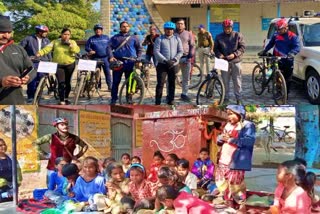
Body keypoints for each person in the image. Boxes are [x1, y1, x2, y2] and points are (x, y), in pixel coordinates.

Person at [215, 105, 255, 213]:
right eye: (228, 114)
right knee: (223, 183)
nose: (229, 117)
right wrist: (220, 138)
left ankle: (242, 205)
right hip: (223, 159)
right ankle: (228, 203)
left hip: (236, 161)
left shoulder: (247, 125)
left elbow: (249, 142)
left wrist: (232, 139)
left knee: (237, 184)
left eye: (231, 114)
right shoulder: (227, 125)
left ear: (239, 114)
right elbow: (220, 140)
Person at [33, 117, 88, 185]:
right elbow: (35, 143)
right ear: (56, 126)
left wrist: (77, 156)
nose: (65, 126)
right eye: (62, 124)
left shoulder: (74, 138)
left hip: (67, 169)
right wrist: (45, 154)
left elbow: (85, 146)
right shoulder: (50, 137)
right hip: (52, 167)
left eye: (66, 124)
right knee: (50, 187)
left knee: (66, 188)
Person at [37, 28, 80, 105]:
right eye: (65, 34)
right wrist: (40, 53)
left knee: (67, 82)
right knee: (61, 83)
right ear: (61, 34)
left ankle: (66, 97)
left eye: (68, 34)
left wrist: (71, 46)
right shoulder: (55, 42)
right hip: (58, 65)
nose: (66, 36)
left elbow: (77, 50)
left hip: (70, 64)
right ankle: (62, 99)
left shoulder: (72, 42)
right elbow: (47, 48)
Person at [258, 18, 300, 96]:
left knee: (288, 79)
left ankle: (286, 94)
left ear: (286, 28)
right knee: (276, 76)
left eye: (280, 29)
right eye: (277, 29)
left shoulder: (292, 36)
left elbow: (297, 47)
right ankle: (278, 91)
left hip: (288, 60)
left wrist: (292, 53)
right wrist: (264, 51)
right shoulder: (276, 35)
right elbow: (270, 44)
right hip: (276, 58)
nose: (278, 31)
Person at [0, 15, 36, 104]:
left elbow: (31, 69)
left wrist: (27, 78)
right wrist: (1, 81)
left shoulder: (18, 49)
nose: (6, 36)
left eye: (9, 32)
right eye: (2, 32)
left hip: (15, 101)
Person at [107, 21, 143, 105]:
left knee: (129, 82)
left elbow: (140, 49)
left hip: (131, 62)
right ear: (120, 28)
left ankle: (128, 98)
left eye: (127, 26)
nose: (125, 28)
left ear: (129, 27)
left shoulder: (134, 38)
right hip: (118, 62)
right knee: (116, 82)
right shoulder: (115, 38)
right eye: (123, 26)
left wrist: (138, 58)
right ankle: (113, 99)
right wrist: (111, 57)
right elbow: (108, 47)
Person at [214, 19, 245, 105]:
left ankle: (238, 98)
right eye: (225, 28)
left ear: (232, 27)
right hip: (224, 62)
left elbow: (242, 47)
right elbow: (215, 49)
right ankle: (226, 97)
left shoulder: (238, 35)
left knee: (237, 81)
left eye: (229, 28)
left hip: (236, 62)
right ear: (223, 28)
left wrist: (235, 54)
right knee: (225, 81)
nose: (227, 29)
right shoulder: (218, 37)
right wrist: (219, 55)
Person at [20, 25, 51, 103]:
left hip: (44, 62)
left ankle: (38, 95)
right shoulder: (28, 39)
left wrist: (50, 61)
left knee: (41, 80)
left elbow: (49, 52)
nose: (46, 33)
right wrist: (26, 58)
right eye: (45, 32)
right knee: (32, 80)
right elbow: (20, 49)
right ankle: (30, 96)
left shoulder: (47, 40)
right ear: (39, 32)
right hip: (32, 62)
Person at [154, 21, 183, 105]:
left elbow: (180, 51)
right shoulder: (159, 39)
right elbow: (156, 51)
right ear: (164, 30)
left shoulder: (177, 39)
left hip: (173, 65)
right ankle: (158, 101)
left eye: (171, 29)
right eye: (167, 29)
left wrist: (174, 59)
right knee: (160, 83)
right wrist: (165, 60)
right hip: (162, 65)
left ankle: (171, 99)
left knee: (172, 83)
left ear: (173, 30)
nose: (169, 31)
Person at [85, 24, 112, 91]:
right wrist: (90, 50)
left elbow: (110, 46)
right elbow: (86, 47)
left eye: (99, 29)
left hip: (105, 58)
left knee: (107, 73)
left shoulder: (106, 38)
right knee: (96, 73)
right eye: (96, 29)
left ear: (102, 30)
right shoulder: (91, 39)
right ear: (95, 31)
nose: (98, 30)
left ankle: (110, 86)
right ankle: (98, 86)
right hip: (95, 58)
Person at [175, 19, 195, 102]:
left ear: (184, 25)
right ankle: (170, 94)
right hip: (175, 59)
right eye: (178, 24)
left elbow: (192, 45)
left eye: (181, 24)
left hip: (185, 58)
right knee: (171, 77)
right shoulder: (173, 33)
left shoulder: (188, 34)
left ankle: (184, 94)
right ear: (176, 25)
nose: (180, 25)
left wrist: (190, 56)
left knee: (186, 78)